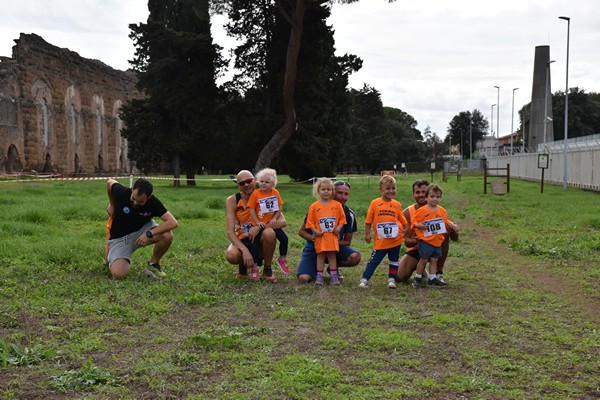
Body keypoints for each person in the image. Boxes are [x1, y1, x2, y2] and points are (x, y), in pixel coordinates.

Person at [106, 178, 178, 279]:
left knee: (167, 235)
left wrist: (149, 233)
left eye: (140, 201)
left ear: (148, 197)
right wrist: (112, 204)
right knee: (119, 275)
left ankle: (153, 264)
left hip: (143, 230)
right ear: (132, 190)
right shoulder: (122, 192)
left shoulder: (153, 202)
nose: (135, 203)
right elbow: (110, 182)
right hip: (120, 238)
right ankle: (111, 255)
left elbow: (173, 222)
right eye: (133, 198)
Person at [225, 170, 286, 282]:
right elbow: (229, 231)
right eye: (242, 183)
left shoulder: (266, 195)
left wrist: (258, 228)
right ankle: (243, 267)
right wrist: (244, 250)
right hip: (243, 238)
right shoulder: (233, 200)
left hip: (260, 238)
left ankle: (267, 269)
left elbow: (282, 222)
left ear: (254, 181)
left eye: (249, 181)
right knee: (231, 255)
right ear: (238, 186)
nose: (246, 185)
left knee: (269, 233)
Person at [296, 180, 361, 283]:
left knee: (355, 257)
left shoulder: (349, 214)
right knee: (304, 278)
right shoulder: (316, 207)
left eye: (346, 194)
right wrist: (314, 238)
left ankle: (333, 269)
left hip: (334, 247)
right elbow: (301, 231)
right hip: (315, 246)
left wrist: (330, 241)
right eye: (339, 193)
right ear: (333, 192)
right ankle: (315, 270)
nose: (343, 197)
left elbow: (347, 242)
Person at [396, 179, 459, 285]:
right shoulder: (407, 213)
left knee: (443, 235)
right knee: (399, 277)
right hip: (417, 248)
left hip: (436, 246)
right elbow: (406, 241)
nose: (420, 195)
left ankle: (438, 273)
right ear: (413, 195)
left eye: (423, 191)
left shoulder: (440, 210)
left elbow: (455, 238)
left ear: (429, 193)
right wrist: (420, 239)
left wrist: (453, 230)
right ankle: (420, 269)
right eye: (417, 192)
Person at [359, 175, 409, 289]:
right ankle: (365, 279)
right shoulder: (375, 203)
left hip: (395, 240)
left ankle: (392, 279)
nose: (391, 191)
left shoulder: (397, 204)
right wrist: (367, 233)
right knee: (374, 260)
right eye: (388, 188)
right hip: (381, 241)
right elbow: (368, 220)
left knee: (394, 260)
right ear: (380, 189)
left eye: (393, 188)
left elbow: (403, 220)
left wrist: (404, 230)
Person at [247, 168, 290, 275]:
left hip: (271, 224)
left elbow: (279, 207)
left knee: (284, 239)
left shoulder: (275, 192)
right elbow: (251, 209)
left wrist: (275, 217)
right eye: (261, 181)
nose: (263, 184)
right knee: (255, 244)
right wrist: (257, 222)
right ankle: (255, 267)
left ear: (272, 184)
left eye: (267, 182)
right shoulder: (256, 194)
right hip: (258, 224)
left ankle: (282, 258)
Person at [305, 178, 346, 285]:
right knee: (321, 255)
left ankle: (333, 276)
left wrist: (338, 228)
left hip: (332, 236)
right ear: (318, 191)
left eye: (329, 189)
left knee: (332, 255)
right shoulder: (314, 206)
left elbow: (342, 219)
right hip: (320, 237)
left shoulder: (337, 205)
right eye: (323, 189)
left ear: (332, 191)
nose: (326, 191)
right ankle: (319, 276)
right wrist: (315, 231)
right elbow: (310, 222)